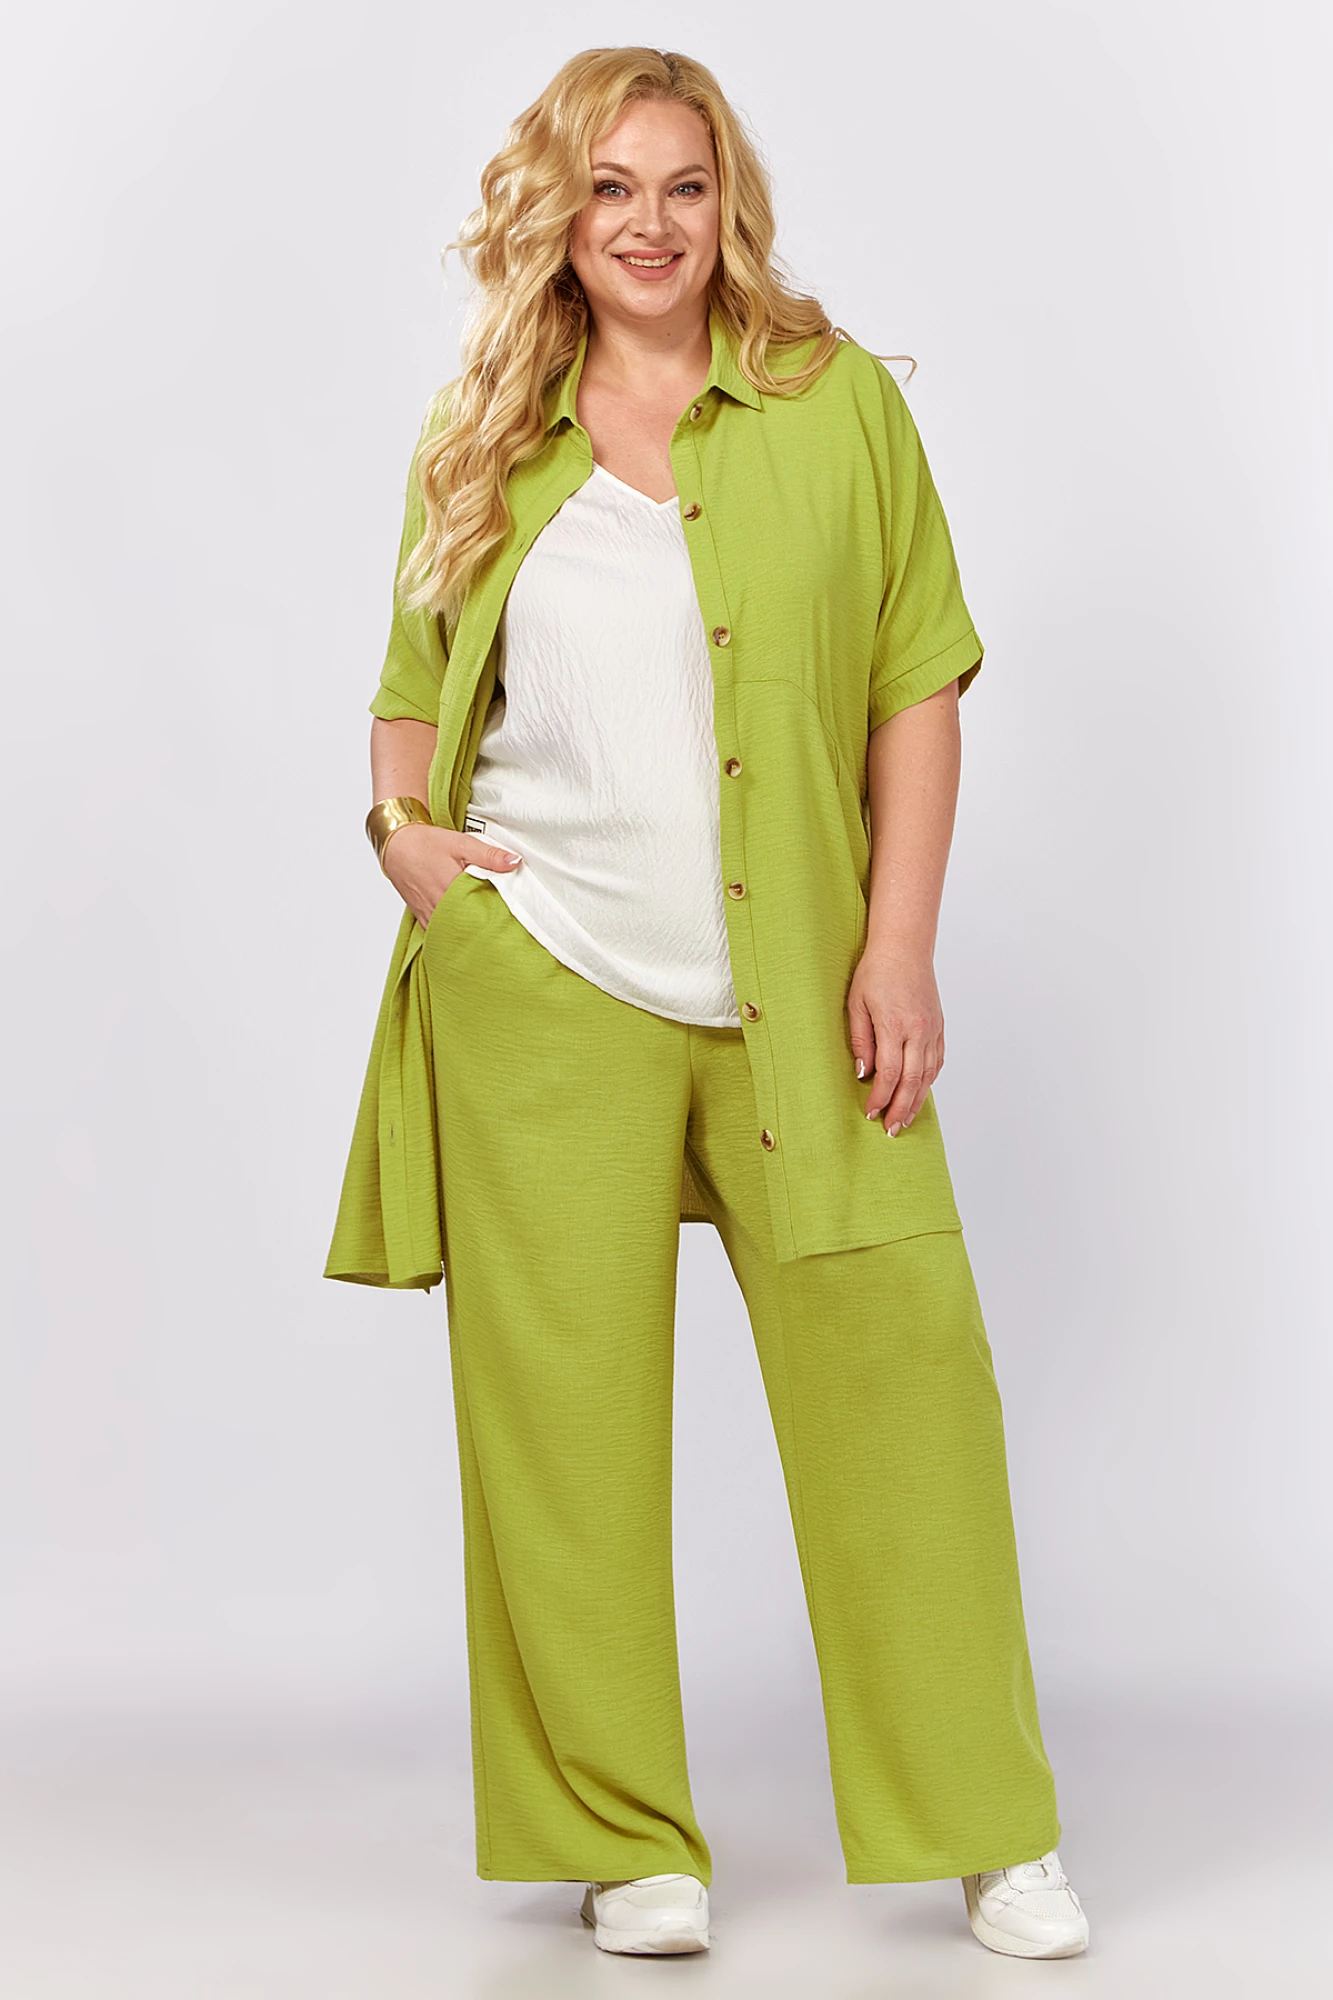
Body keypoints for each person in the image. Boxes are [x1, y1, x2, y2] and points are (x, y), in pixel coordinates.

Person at [325, 44, 1090, 1963]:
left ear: (726, 201)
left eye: (682, 185)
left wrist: (896, 945)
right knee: (560, 1426)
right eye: (609, 188)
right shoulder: (485, 433)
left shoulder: (835, 407)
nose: (649, 224)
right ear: (558, 214)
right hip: (542, 985)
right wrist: (407, 844)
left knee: (906, 1390)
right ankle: (623, 1835)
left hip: (801, 992)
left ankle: (990, 1827)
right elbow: (410, 693)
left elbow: (918, 678)